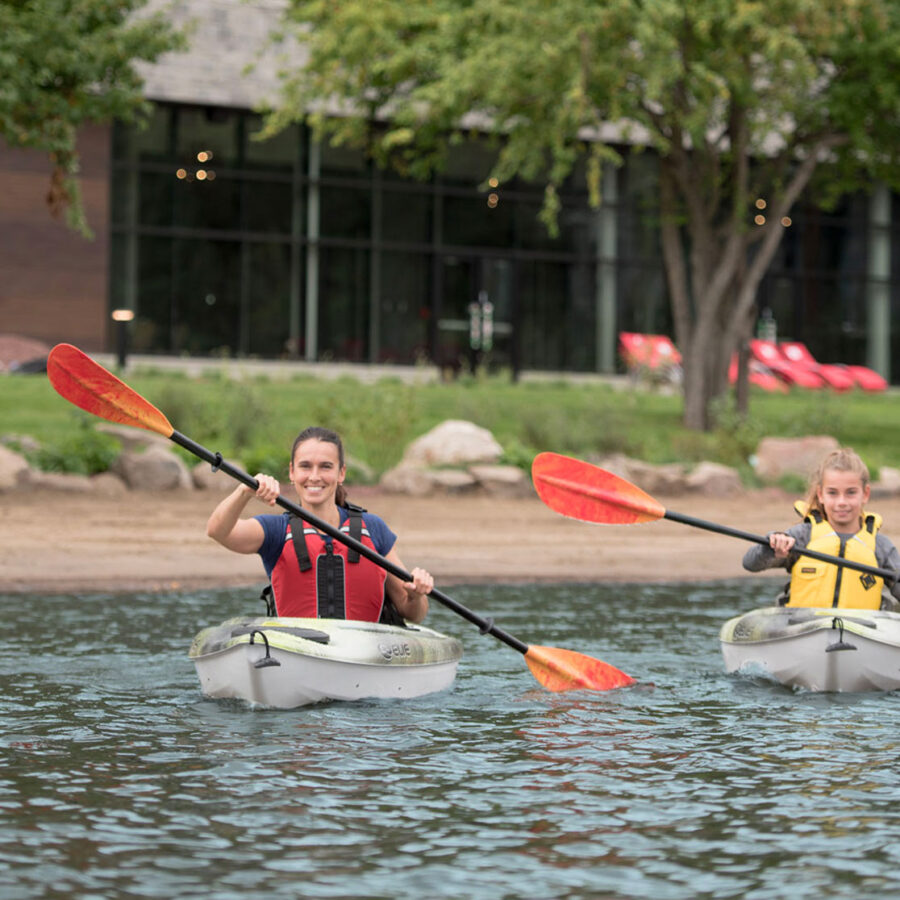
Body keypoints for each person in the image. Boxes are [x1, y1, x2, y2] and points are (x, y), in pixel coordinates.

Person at [207, 426, 432, 623]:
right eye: (305, 466)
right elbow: (218, 531)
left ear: (341, 473)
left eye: (325, 466)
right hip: (299, 654)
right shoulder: (275, 531)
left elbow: (413, 613)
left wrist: (416, 595)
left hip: (363, 656)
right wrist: (244, 491)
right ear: (292, 473)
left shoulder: (372, 529)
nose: (314, 476)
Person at [743, 447, 900, 610]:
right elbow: (750, 563)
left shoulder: (881, 547)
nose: (841, 502)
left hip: (860, 632)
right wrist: (771, 548)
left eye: (851, 493)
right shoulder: (802, 537)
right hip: (804, 629)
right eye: (832, 493)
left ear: (865, 494)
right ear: (820, 495)